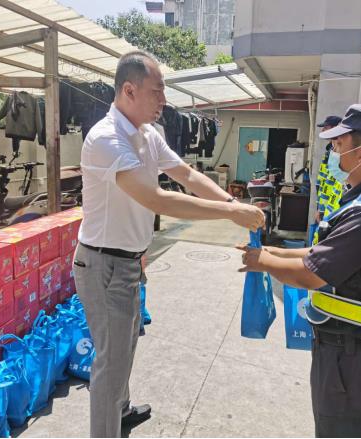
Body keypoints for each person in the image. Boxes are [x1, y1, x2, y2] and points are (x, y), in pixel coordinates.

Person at [73, 51, 265, 438]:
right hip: (104, 266)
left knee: (126, 344)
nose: (163, 100)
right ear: (129, 90)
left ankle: (121, 411)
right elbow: (157, 199)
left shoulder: (148, 134)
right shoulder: (107, 139)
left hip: (128, 260)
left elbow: (186, 174)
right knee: (111, 363)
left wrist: (232, 202)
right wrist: (230, 214)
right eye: (157, 91)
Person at [239, 104, 361, 437]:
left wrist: (260, 262)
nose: (334, 152)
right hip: (355, 348)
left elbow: (311, 274)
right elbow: (327, 253)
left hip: (352, 355)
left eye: (339, 144)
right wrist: (274, 251)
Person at [314, 115, 343, 232]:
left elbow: (332, 183)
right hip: (326, 206)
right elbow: (323, 182)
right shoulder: (329, 151)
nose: (323, 130)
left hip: (332, 208)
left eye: (326, 127)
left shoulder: (339, 154)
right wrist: (320, 208)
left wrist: (322, 209)